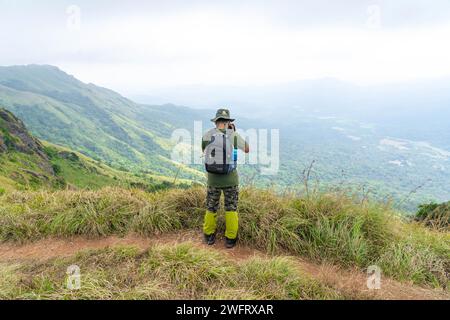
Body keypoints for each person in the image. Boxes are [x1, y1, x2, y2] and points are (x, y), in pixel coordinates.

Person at [202, 108, 250, 249]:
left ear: (216, 121)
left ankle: (209, 235)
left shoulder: (207, 135)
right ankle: (230, 238)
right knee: (231, 208)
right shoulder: (233, 134)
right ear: (228, 122)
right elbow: (247, 149)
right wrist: (234, 134)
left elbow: (203, 151)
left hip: (213, 179)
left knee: (211, 207)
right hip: (230, 180)